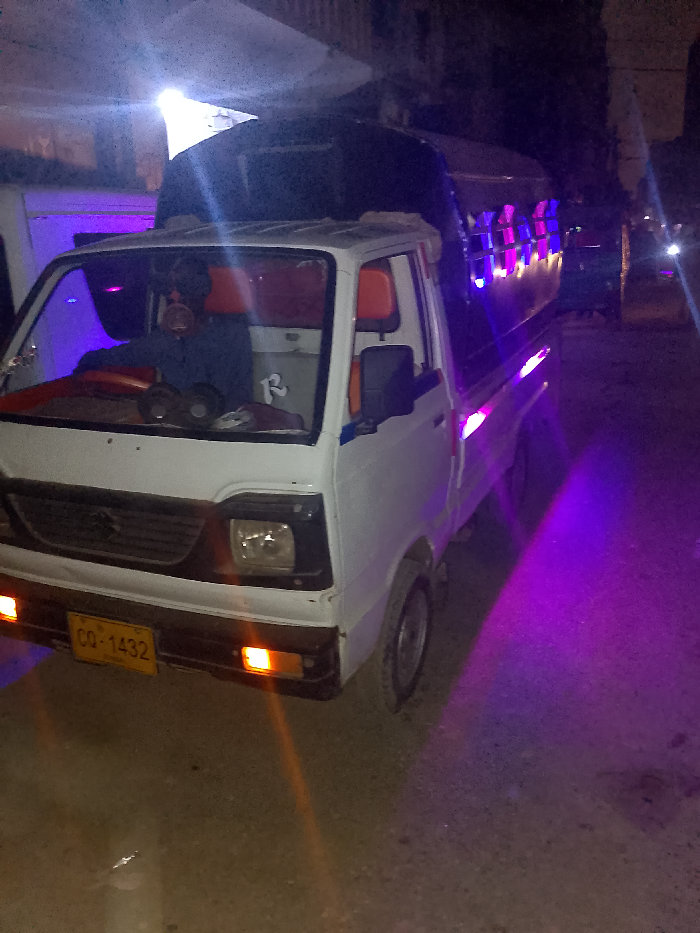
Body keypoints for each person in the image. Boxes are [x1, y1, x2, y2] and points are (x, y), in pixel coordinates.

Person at [74, 255, 253, 411]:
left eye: (185, 287)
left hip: (221, 429)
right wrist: (88, 361)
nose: (176, 298)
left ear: (203, 290)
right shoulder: (163, 340)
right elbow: (123, 355)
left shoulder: (233, 335)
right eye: (171, 291)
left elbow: (242, 393)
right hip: (173, 426)